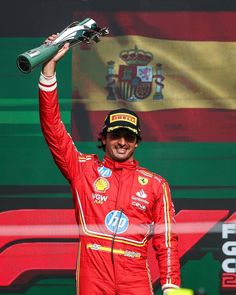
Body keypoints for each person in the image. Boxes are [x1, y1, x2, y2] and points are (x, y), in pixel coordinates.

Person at [38, 35, 181, 295]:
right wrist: (48, 74)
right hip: (94, 273)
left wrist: (171, 283)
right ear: (103, 138)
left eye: (129, 137)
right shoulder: (82, 169)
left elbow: (166, 239)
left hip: (135, 274)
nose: (122, 142)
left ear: (137, 142)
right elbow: (53, 130)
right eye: (116, 135)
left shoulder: (156, 185)